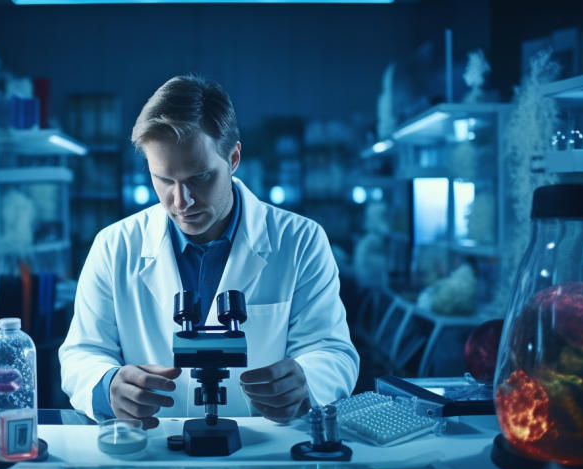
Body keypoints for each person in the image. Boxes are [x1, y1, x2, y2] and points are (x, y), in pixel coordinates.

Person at [59, 74, 359, 428]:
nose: (181, 201)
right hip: (151, 453)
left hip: (262, 452)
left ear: (233, 159)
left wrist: (306, 380)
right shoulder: (115, 246)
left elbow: (333, 352)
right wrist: (107, 385)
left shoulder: (301, 241)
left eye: (199, 178)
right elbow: (83, 353)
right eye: (164, 180)